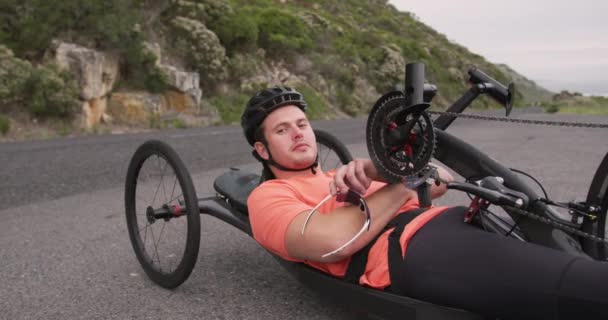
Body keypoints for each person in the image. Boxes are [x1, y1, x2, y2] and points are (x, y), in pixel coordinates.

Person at [241, 86, 608, 320]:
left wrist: (377, 168)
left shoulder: (339, 175)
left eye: (301, 124)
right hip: (410, 250)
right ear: (262, 149)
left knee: (564, 249)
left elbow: (440, 180)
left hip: (447, 225)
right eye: (281, 130)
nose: (298, 133)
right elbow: (328, 242)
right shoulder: (268, 196)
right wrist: (403, 182)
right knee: (579, 286)